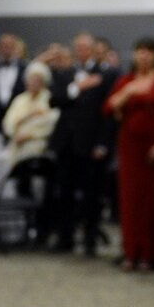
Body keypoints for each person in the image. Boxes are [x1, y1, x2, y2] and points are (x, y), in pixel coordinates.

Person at [105, 37, 154, 272]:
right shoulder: (126, 81)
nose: (143, 56)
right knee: (129, 201)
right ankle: (130, 252)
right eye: (139, 52)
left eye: (148, 52)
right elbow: (108, 108)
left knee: (152, 202)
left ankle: (150, 254)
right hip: (129, 147)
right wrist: (127, 92)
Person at [52, 32, 113, 255]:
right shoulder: (65, 73)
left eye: (85, 48)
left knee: (91, 195)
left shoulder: (105, 75)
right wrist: (78, 88)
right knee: (64, 193)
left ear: (93, 50)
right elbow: (54, 100)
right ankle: (65, 238)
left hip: (90, 144)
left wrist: (103, 144)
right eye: (77, 48)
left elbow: (108, 113)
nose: (81, 52)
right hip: (66, 143)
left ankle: (90, 240)